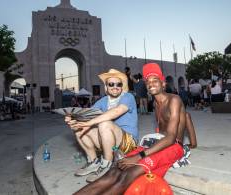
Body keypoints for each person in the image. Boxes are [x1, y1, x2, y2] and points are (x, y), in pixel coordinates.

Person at [74, 63, 188, 195]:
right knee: (115, 170)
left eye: (155, 80)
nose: (150, 84)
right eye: (148, 81)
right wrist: (73, 117)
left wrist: (139, 156)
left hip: (173, 146)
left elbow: (171, 137)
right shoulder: (156, 104)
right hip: (156, 143)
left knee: (127, 176)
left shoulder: (174, 99)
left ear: (163, 84)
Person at [66, 69, 138, 183]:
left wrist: (90, 122)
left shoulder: (128, 97)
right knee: (78, 127)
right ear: (106, 87)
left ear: (122, 86)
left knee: (104, 123)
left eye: (118, 84)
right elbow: (86, 113)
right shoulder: (103, 100)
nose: (115, 87)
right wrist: (72, 118)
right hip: (108, 141)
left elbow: (116, 111)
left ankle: (106, 165)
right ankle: (94, 162)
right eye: (111, 84)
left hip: (128, 143)